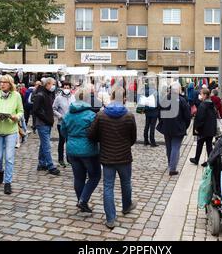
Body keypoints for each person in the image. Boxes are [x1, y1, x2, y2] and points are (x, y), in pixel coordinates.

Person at [88, 87, 137, 229]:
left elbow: (92, 135)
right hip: (124, 156)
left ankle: (110, 218)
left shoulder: (101, 115)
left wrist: (102, 140)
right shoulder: (129, 116)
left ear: (111, 97)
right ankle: (127, 206)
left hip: (107, 157)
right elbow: (133, 138)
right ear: (124, 99)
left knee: (108, 187)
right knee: (126, 182)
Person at [60, 88, 101, 213]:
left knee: (78, 177)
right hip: (89, 150)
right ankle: (83, 200)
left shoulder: (68, 114)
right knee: (95, 176)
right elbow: (96, 133)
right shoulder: (91, 115)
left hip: (72, 149)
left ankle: (81, 201)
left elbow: (63, 131)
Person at [0, 74, 24, 195]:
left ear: (10, 84)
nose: (2, 84)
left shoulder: (16, 95)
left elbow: (21, 112)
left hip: (11, 131)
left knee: (9, 157)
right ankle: (0, 171)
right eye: (0, 82)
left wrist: (15, 117)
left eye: (5, 82)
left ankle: (8, 183)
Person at [156, 82, 191, 176]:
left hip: (166, 127)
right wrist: (185, 126)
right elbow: (188, 116)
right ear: (178, 90)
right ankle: (172, 168)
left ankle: (170, 164)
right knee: (175, 147)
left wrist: (162, 122)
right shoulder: (182, 100)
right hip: (178, 127)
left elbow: (159, 113)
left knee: (169, 147)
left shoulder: (164, 99)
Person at [33, 77, 61, 176]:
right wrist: (46, 118)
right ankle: (50, 166)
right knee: (47, 145)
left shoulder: (47, 93)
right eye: (52, 84)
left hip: (47, 123)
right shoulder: (41, 94)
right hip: (42, 124)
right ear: (48, 84)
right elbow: (35, 110)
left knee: (43, 145)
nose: (53, 86)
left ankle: (41, 163)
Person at [190, 89, 217, 165]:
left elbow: (200, 118)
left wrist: (197, 128)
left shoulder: (203, 105)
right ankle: (210, 161)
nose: (200, 95)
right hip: (210, 129)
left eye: (201, 94)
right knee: (208, 145)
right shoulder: (211, 104)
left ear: (205, 95)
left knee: (200, 143)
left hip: (203, 129)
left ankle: (196, 159)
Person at [53, 82, 75, 168]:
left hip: (71, 123)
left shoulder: (73, 97)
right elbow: (53, 109)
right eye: (65, 87)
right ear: (62, 88)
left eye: (67, 87)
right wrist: (60, 116)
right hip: (61, 123)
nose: (66, 89)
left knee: (69, 142)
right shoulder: (58, 98)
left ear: (70, 88)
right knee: (62, 141)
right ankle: (60, 159)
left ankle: (69, 159)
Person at [143, 82, 159, 147]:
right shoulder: (155, 92)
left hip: (147, 111)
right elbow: (158, 102)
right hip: (154, 111)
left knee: (146, 126)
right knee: (152, 127)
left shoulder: (145, 92)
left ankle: (146, 141)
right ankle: (152, 142)